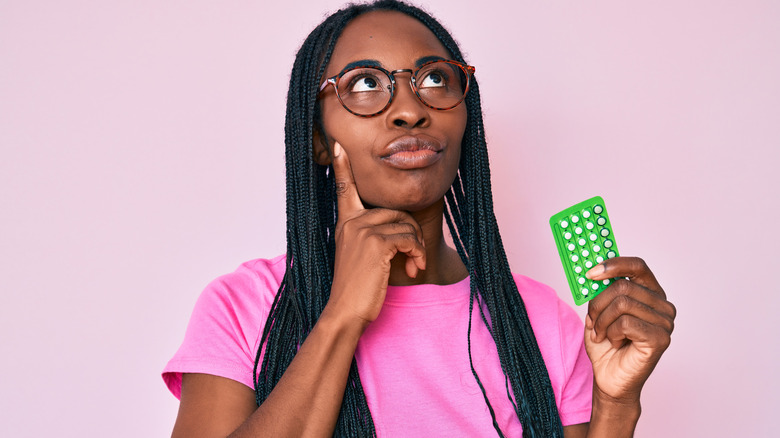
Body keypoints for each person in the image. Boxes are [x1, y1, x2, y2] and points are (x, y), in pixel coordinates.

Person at [163, 1, 677, 436]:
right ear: (319, 138)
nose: (409, 109)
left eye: (434, 78)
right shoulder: (244, 307)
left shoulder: (543, 322)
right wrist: (341, 315)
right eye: (364, 83)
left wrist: (616, 405)